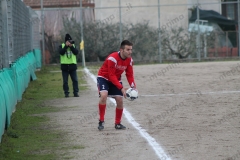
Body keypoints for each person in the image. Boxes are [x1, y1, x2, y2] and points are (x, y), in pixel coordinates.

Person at [97, 40, 137, 130]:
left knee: (119, 100)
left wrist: (133, 87)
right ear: (121, 50)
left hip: (116, 79)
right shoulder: (112, 58)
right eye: (128, 49)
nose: (130, 52)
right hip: (103, 78)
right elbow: (111, 75)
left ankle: (118, 123)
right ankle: (101, 121)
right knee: (103, 96)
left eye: (131, 49)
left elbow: (129, 75)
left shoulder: (130, 60)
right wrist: (121, 88)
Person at [59, 33, 79, 98]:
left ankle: (76, 92)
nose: (70, 42)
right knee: (65, 81)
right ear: (66, 41)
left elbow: (76, 52)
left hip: (72, 66)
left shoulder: (73, 46)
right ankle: (66, 93)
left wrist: (71, 46)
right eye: (68, 41)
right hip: (64, 67)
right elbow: (61, 52)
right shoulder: (61, 46)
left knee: (75, 80)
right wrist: (65, 46)